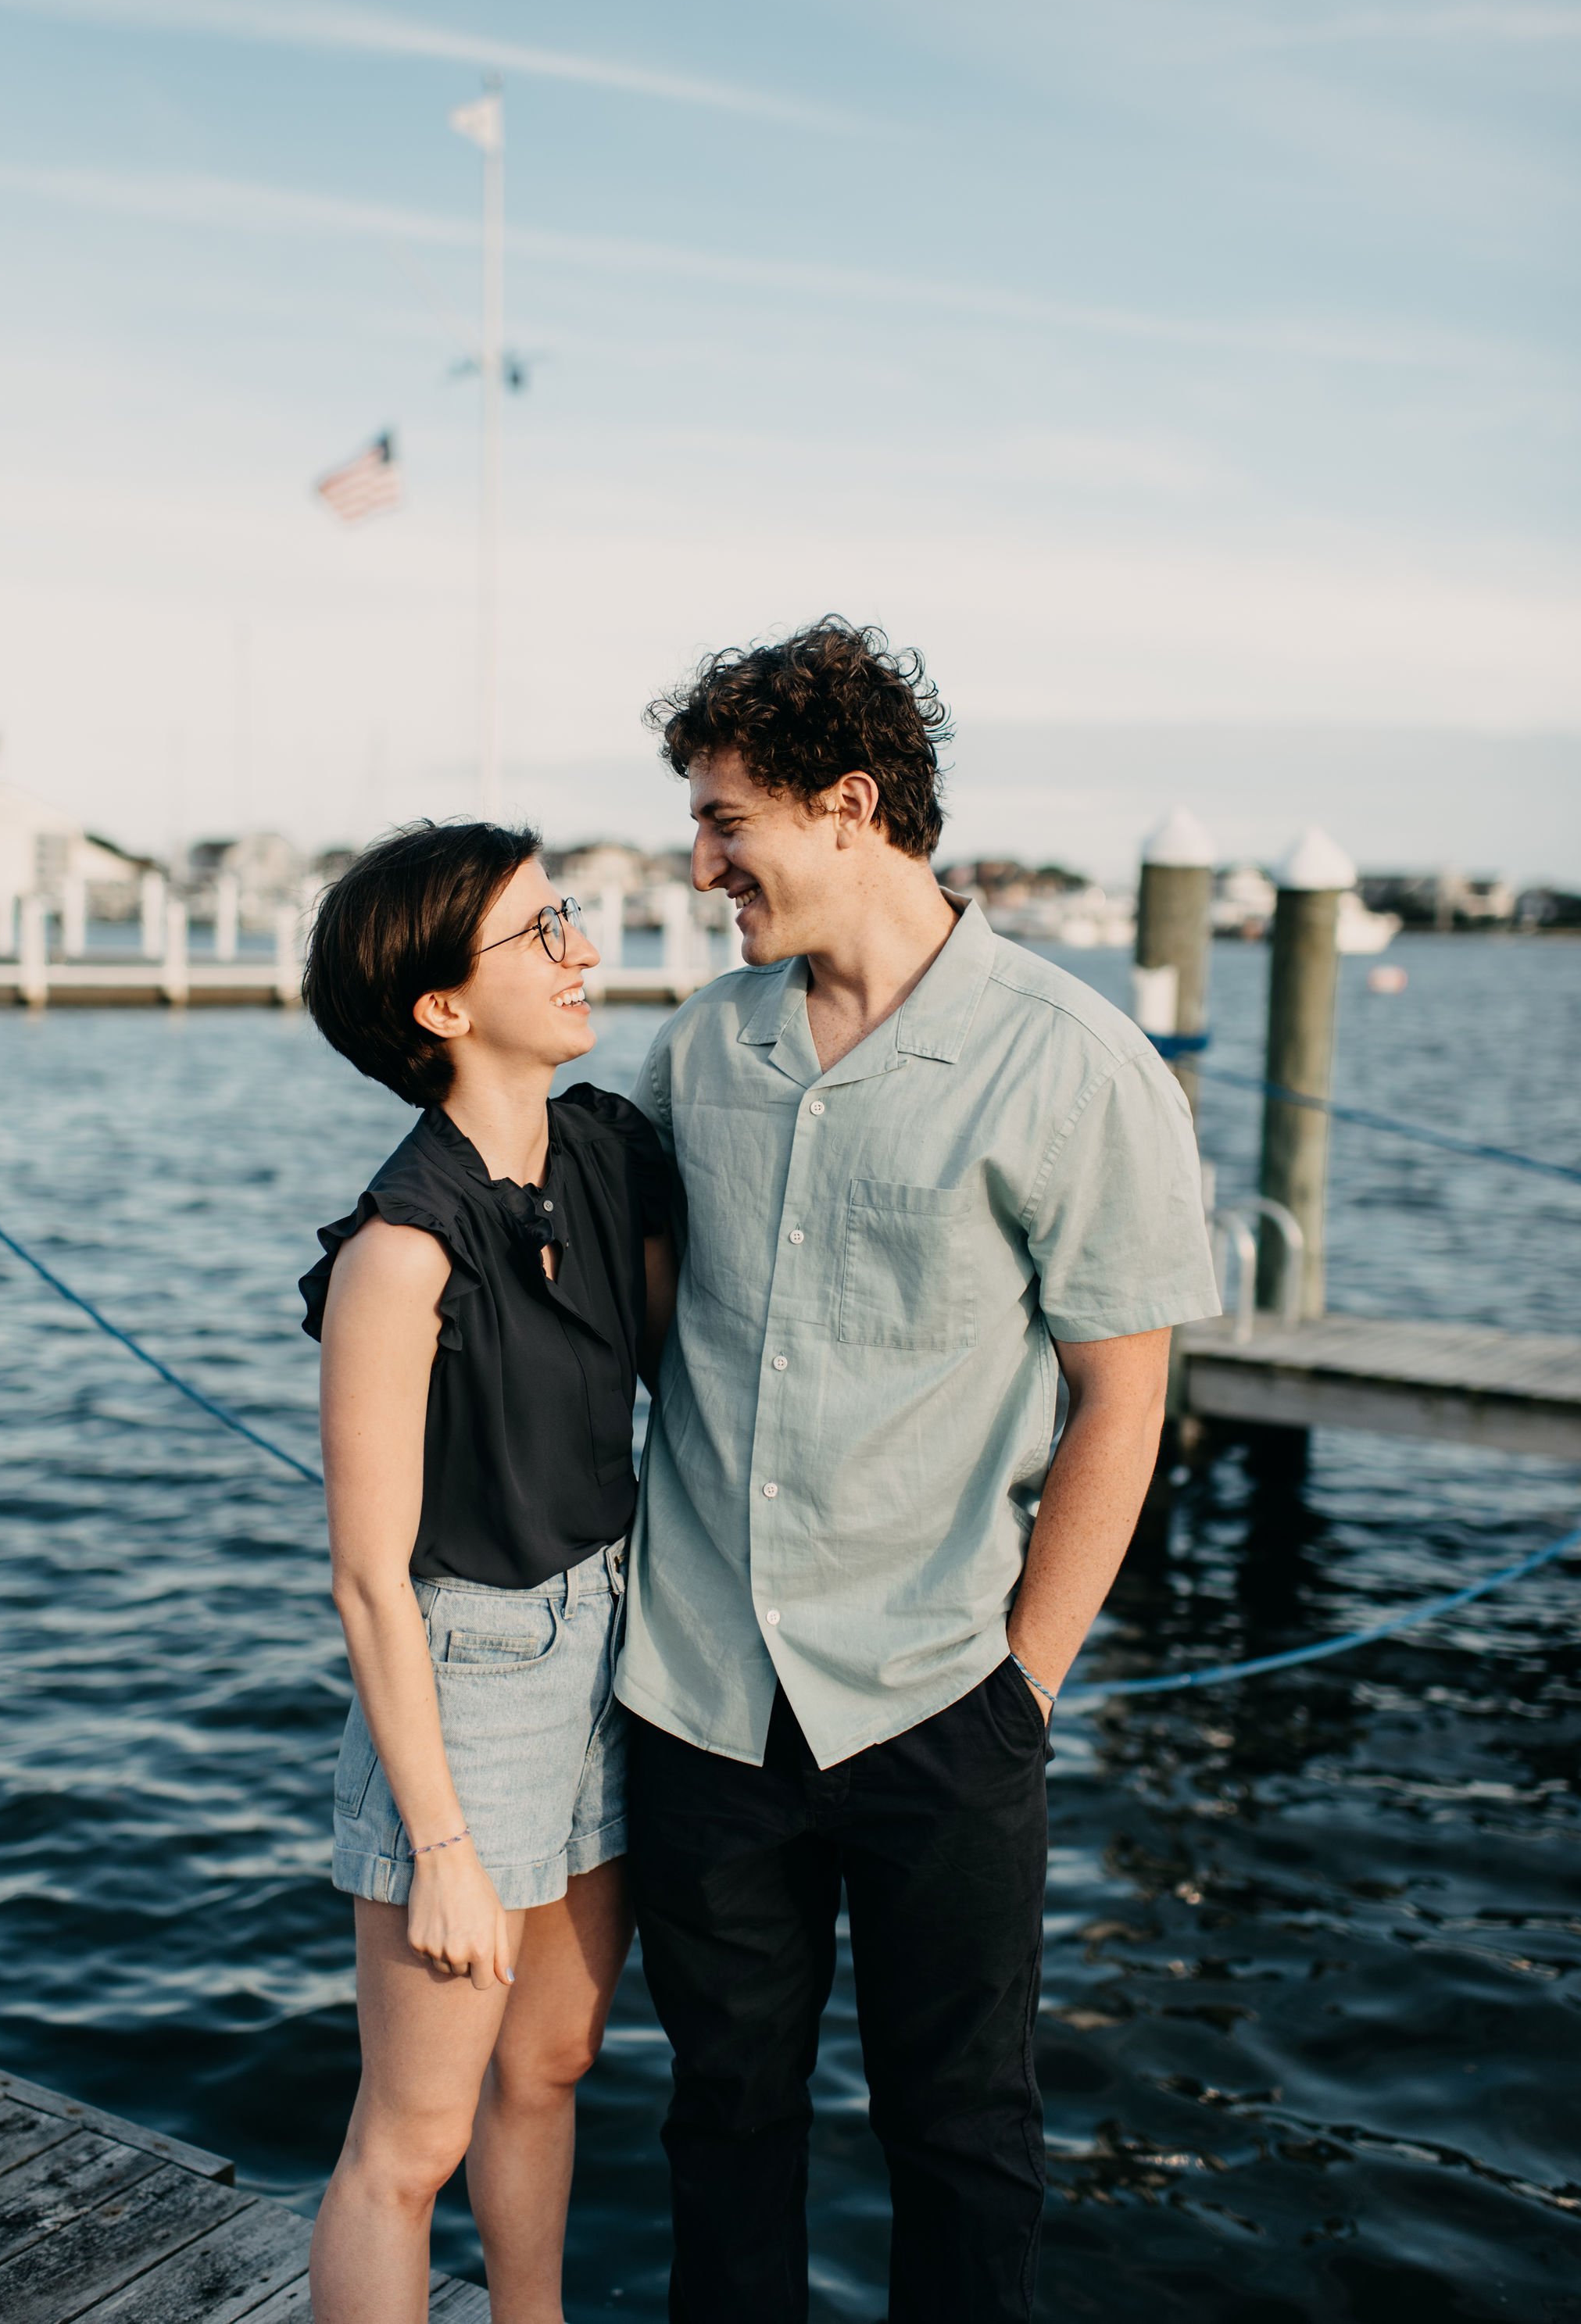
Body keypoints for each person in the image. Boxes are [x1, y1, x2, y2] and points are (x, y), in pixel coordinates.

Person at [617, 620, 1222, 2324]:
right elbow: (639, 1326)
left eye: (726, 818)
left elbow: (1123, 1395)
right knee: (721, 2120)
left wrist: (1023, 1686)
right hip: (699, 1699)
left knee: (959, 2137)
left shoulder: (1068, 1059)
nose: (700, 860)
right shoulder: (697, 1050)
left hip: (938, 1703)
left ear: (849, 806)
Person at [295, 821, 675, 2324]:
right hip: (469, 1685)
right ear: (443, 1008)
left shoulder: (606, 1154)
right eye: (541, 932)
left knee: (553, 2066)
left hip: (611, 1649)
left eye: (566, 915)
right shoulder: (402, 1253)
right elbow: (370, 1584)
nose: (583, 950)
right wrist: (441, 1845)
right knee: (411, 2139)